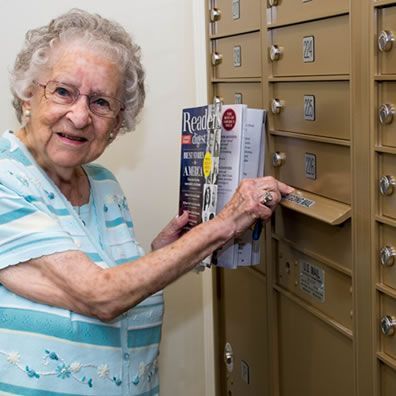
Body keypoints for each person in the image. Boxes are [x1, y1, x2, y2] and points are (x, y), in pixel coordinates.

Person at [0, 8, 293, 396]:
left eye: (101, 102)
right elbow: (102, 296)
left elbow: (108, 282)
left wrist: (159, 253)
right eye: (63, 91)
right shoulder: (7, 177)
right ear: (27, 96)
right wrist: (225, 222)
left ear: (118, 124)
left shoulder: (104, 185)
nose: (80, 115)